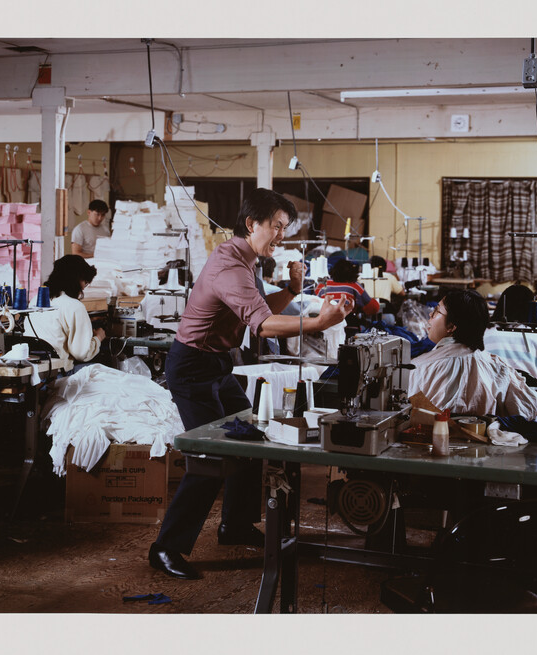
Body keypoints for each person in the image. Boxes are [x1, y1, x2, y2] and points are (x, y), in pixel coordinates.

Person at [148, 188, 353, 580]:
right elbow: (260, 325)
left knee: (248, 437)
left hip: (218, 363)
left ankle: (235, 526)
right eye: (276, 226)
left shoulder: (247, 260)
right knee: (209, 456)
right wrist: (318, 323)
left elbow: (256, 311)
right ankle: (165, 548)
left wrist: (293, 291)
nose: (281, 235)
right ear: (251, 224)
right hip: (192, 367)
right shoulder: (230, 265)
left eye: (284, 228)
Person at [408, 289, 537, 419]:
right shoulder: (496, 366)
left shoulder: (418, 367)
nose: (430, 315)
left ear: (451, 326)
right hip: (481, 437)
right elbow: (531, 405)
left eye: (437, 310)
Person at [24, 255, 107, 374]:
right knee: (104, 367)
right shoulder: (74, 306)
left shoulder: (36, 299)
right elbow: (81, 354)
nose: (84, 287)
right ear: (77, 279)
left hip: (35, 371)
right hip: (57, 373)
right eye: (85, 282)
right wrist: (98, 338)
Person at [484, 283, 537, 390]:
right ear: (531, 307)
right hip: (535, 400)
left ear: (500, 306)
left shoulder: (485, 333)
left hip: (493, 399)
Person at [314, 259, 381, 321]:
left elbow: (314, 302)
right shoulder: (354, 285)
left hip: (324, 323)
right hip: (347, 323)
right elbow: (374, 308)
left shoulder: (322, 285)